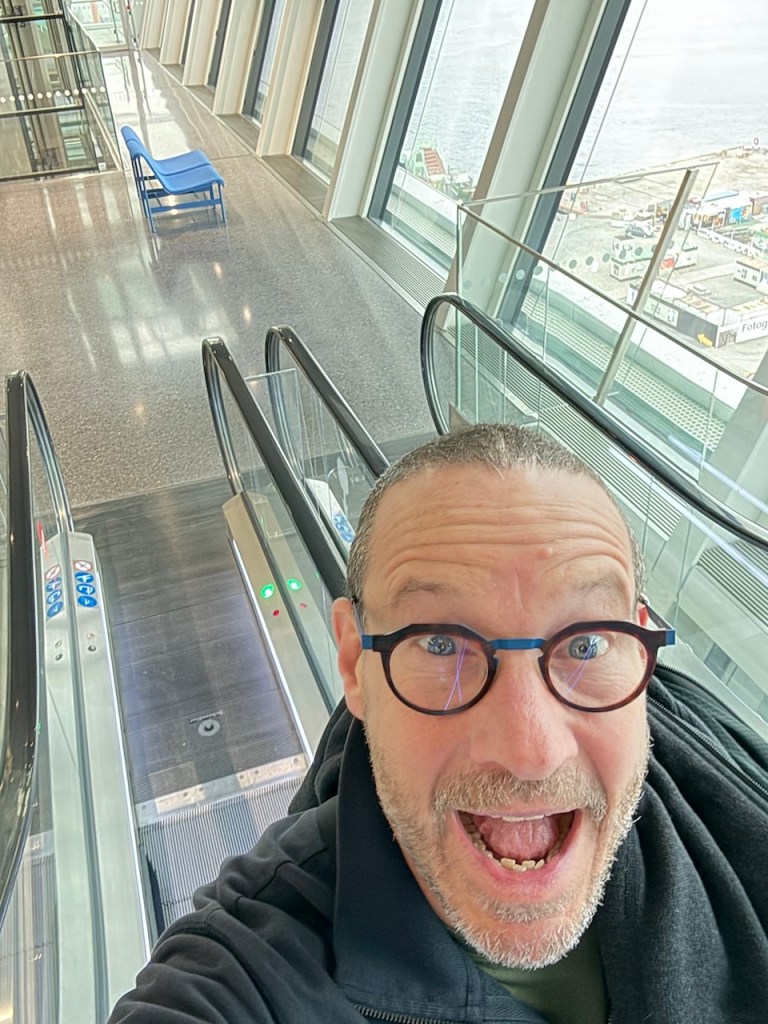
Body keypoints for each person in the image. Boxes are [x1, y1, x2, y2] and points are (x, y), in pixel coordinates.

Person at [109, 423, 768, 1024]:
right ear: (353, 664)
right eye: (442, 643)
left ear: (641, 646)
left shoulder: (715, 762)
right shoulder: (248, 975)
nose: (530, 751)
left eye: (586, 643)